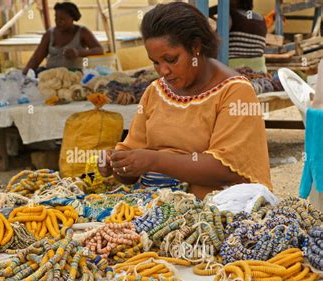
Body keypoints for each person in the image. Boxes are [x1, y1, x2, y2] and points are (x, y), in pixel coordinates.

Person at [98, 2, 272, 200]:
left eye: (171, 59)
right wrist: (117, 163)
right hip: (156, 209)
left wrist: (154, 161)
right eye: (156, 62)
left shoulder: (235, 92)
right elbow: (132, 161)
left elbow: (227, 169)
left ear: (195, 47)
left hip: (213, 212)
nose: (163, 70)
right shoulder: (155, 92)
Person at [22, 2, 104, 75]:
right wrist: (24, 74)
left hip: (74, 75)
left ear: (72, 18)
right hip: (51, 75)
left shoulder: (82, 32)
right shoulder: (49, 34)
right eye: (56, 18)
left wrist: (79, 53)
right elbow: (36, 58)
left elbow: (99, 50)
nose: (58, 22)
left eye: (62, 19)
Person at [228, 0, 268, 72]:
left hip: (235, 69)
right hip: (260, 71)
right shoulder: (261, 18)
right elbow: (248, 17)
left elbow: (216, 40)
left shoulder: (231, 15)